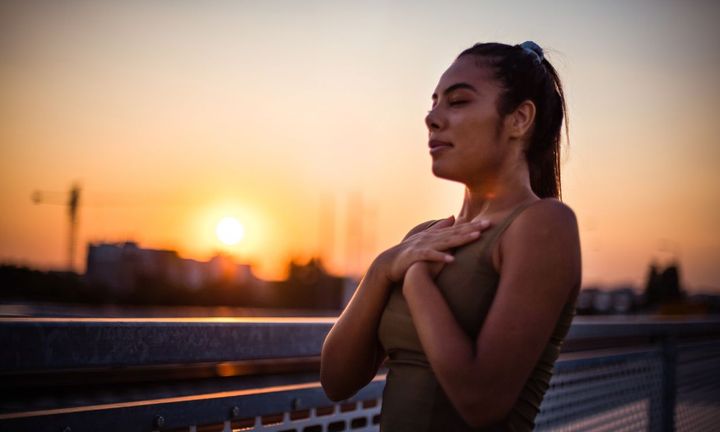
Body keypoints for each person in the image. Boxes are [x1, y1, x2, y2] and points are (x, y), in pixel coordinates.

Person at [320, 41, 581, 431]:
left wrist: (415, 277)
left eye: (457, 102)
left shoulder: (544, 224)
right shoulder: (422, 239)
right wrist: (380, 268)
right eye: (434, 102)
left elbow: (482, 401)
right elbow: (336, 382)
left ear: (519, 119)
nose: (432, 118)